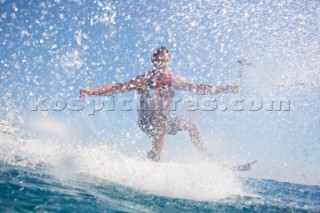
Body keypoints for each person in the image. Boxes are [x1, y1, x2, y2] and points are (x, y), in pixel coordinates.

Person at [80, 46, 239, 161]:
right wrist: (92, 91)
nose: (162, 62)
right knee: (160, 122)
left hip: (164, 120)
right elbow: (117, 88)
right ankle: (154, 158)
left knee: (190, 124)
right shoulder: (144, 79)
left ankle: (207, 157)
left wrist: (225, 89)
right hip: (146, 121)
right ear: (153, 61)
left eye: (165, 60)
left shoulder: (172, 79)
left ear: (168, 62)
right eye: (159, 60)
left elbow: (197, 88)